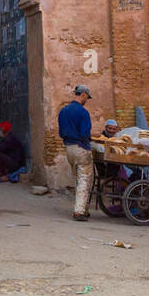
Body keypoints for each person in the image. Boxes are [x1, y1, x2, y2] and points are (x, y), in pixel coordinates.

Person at [58, 85, 94, 221]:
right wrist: (89, 139)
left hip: (69, 147)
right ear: (83, 94)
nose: (86, 100)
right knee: (85, 180)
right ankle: (79, 211)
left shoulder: (64, 111)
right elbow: (85, 133)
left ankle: (83, 208)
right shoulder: (83, 112)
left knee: (77, 178)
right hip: (81, 147)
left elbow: (61, 132)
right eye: (87, 97)